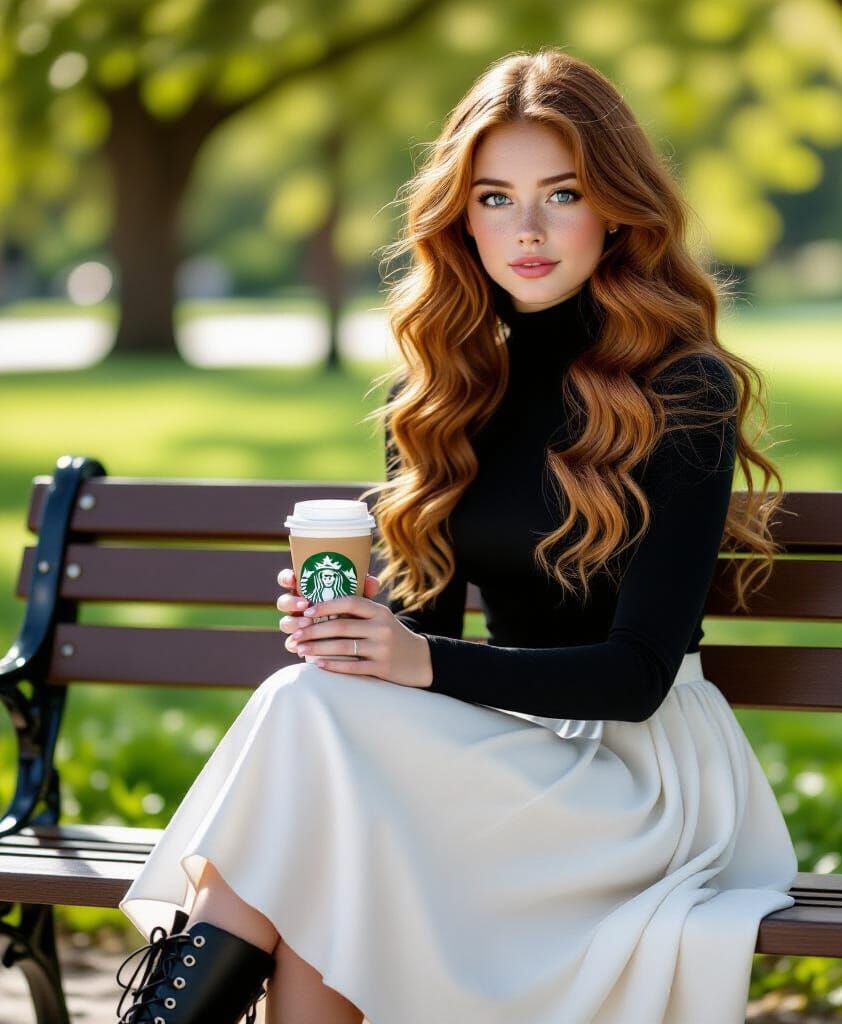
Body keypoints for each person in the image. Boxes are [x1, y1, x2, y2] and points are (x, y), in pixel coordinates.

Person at [113, 47, 798, 1024]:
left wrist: (415, 660)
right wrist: (357, 637)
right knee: (321, 776)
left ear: (614, 207)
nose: (525, 229)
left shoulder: (682, 388)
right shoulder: (442, 393)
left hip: (633, 780)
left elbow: (636, 676)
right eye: (494, 197)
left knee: (309, 745)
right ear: (459, 215)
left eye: (559, 194)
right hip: (492, 756)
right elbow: (419, 644)